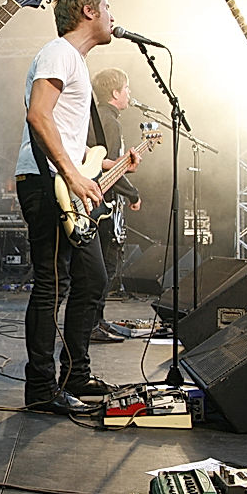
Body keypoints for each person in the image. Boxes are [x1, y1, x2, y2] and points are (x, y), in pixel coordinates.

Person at [14, 0, 139, 416]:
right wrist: (69, 173)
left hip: (64, 180)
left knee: (91, 279)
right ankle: (41, 389)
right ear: (88, 10)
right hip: (45, 180)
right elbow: (38, 114)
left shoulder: (76, 63)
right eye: (107, 6)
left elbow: (68, 137)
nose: (111, 14)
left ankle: (76, 375)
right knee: (52, 284)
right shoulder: (59, 52)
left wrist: (98, 169)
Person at [87, 67, 142, 336]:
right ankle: (94, 323)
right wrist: (133, 193)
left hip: (93, 200)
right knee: (105, 267)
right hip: (100, 203)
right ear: (115, 93)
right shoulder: (110, 121)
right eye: (126, 89)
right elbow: (107, 167)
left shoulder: (95, 117)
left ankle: (96, 321)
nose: (130, 94)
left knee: (100, 267)